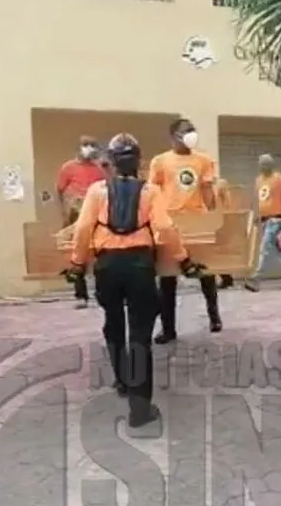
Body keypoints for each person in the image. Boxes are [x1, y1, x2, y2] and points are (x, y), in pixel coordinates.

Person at [65, 133, 205, 427]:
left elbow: (82, 230)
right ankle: (139, 410)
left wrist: (77, 264)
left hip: (107, 267)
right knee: (140, 335)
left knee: (113, 324)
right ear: (139, 161)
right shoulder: (150, 192)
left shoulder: (96, 191)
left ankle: (122, 381)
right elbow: (165, 230)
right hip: (140, 266)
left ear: (111, 163)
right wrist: (184, 260)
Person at [147, 117, 221, 343]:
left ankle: (214, 316)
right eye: (186, 131)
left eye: (193, 130)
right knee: (168, 279)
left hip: (197, 220)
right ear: (173, 136)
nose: (191, 134)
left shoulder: (204, 160)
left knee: (206, 273)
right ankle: (168, 329)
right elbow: (152, 192)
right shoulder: (160, 161)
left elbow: (208, 190)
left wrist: (214, 217)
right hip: (171, 225)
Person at [56, 136, 108, 308]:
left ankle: (102, 293)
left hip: (96, 216)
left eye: (93, 146)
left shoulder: (99, 170)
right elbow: (61, 192)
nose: (89, 149)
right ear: (79, 148)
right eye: (86, 145)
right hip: (75, 216)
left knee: (101, 253)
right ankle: (81, 295)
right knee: (77, 254)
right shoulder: (68, 168)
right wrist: (66, 214)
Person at [245, 154, 281, 292]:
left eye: (266, 164)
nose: (264, 166)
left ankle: (256, 279)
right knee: (278, 251)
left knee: (265, 248)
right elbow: (261, 200)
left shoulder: (278, 179)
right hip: (266, 220)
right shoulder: (259, 180)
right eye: (262, 164)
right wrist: (258, 215)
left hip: (276, 220)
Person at [213, 177, 235, 289]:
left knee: (217, 252)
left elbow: (227, 204)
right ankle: (226, 277)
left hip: (220, 223)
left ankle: (226, 278)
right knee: (216, 252)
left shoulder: (220, 185)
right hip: (216, 222)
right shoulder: (214, 186)